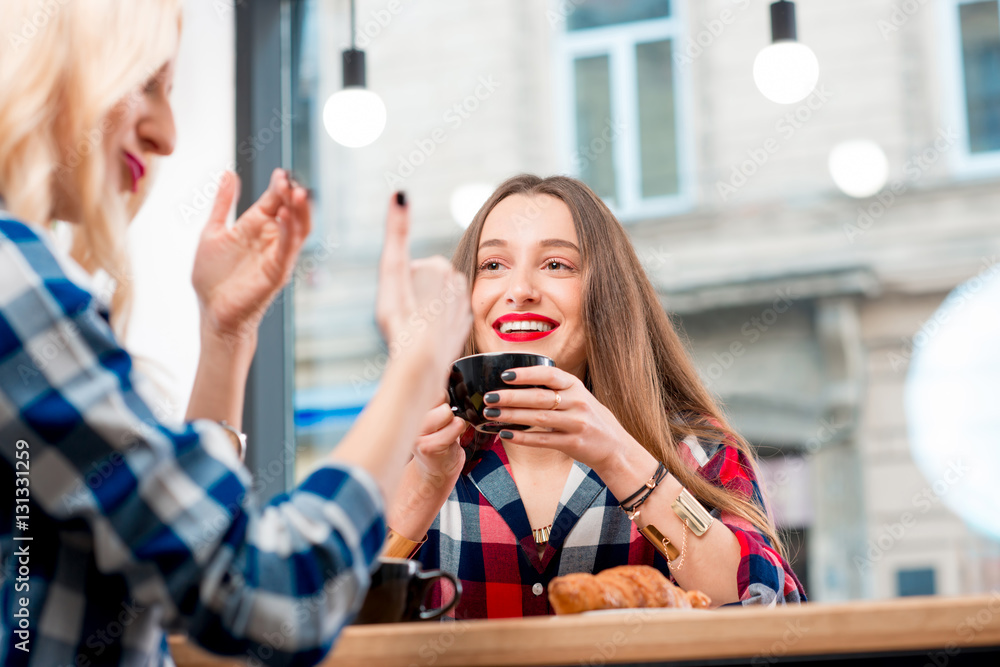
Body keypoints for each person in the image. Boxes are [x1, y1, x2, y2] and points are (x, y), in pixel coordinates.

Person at [0, 1, 470, 665]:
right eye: (148, 82)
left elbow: (172, 557)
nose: (167, 132)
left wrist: (225, 334)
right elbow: (272, 594)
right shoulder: (16, 282)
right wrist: (417, 361)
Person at [388, 174, 807, 618]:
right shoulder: (414, 449)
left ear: (605, 295)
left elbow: (770, 606)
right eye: (492, 265)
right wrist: (425, 485)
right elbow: (322, 619)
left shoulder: (694, 447)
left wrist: (619, 457)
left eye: (556, 265)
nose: (520, 290)